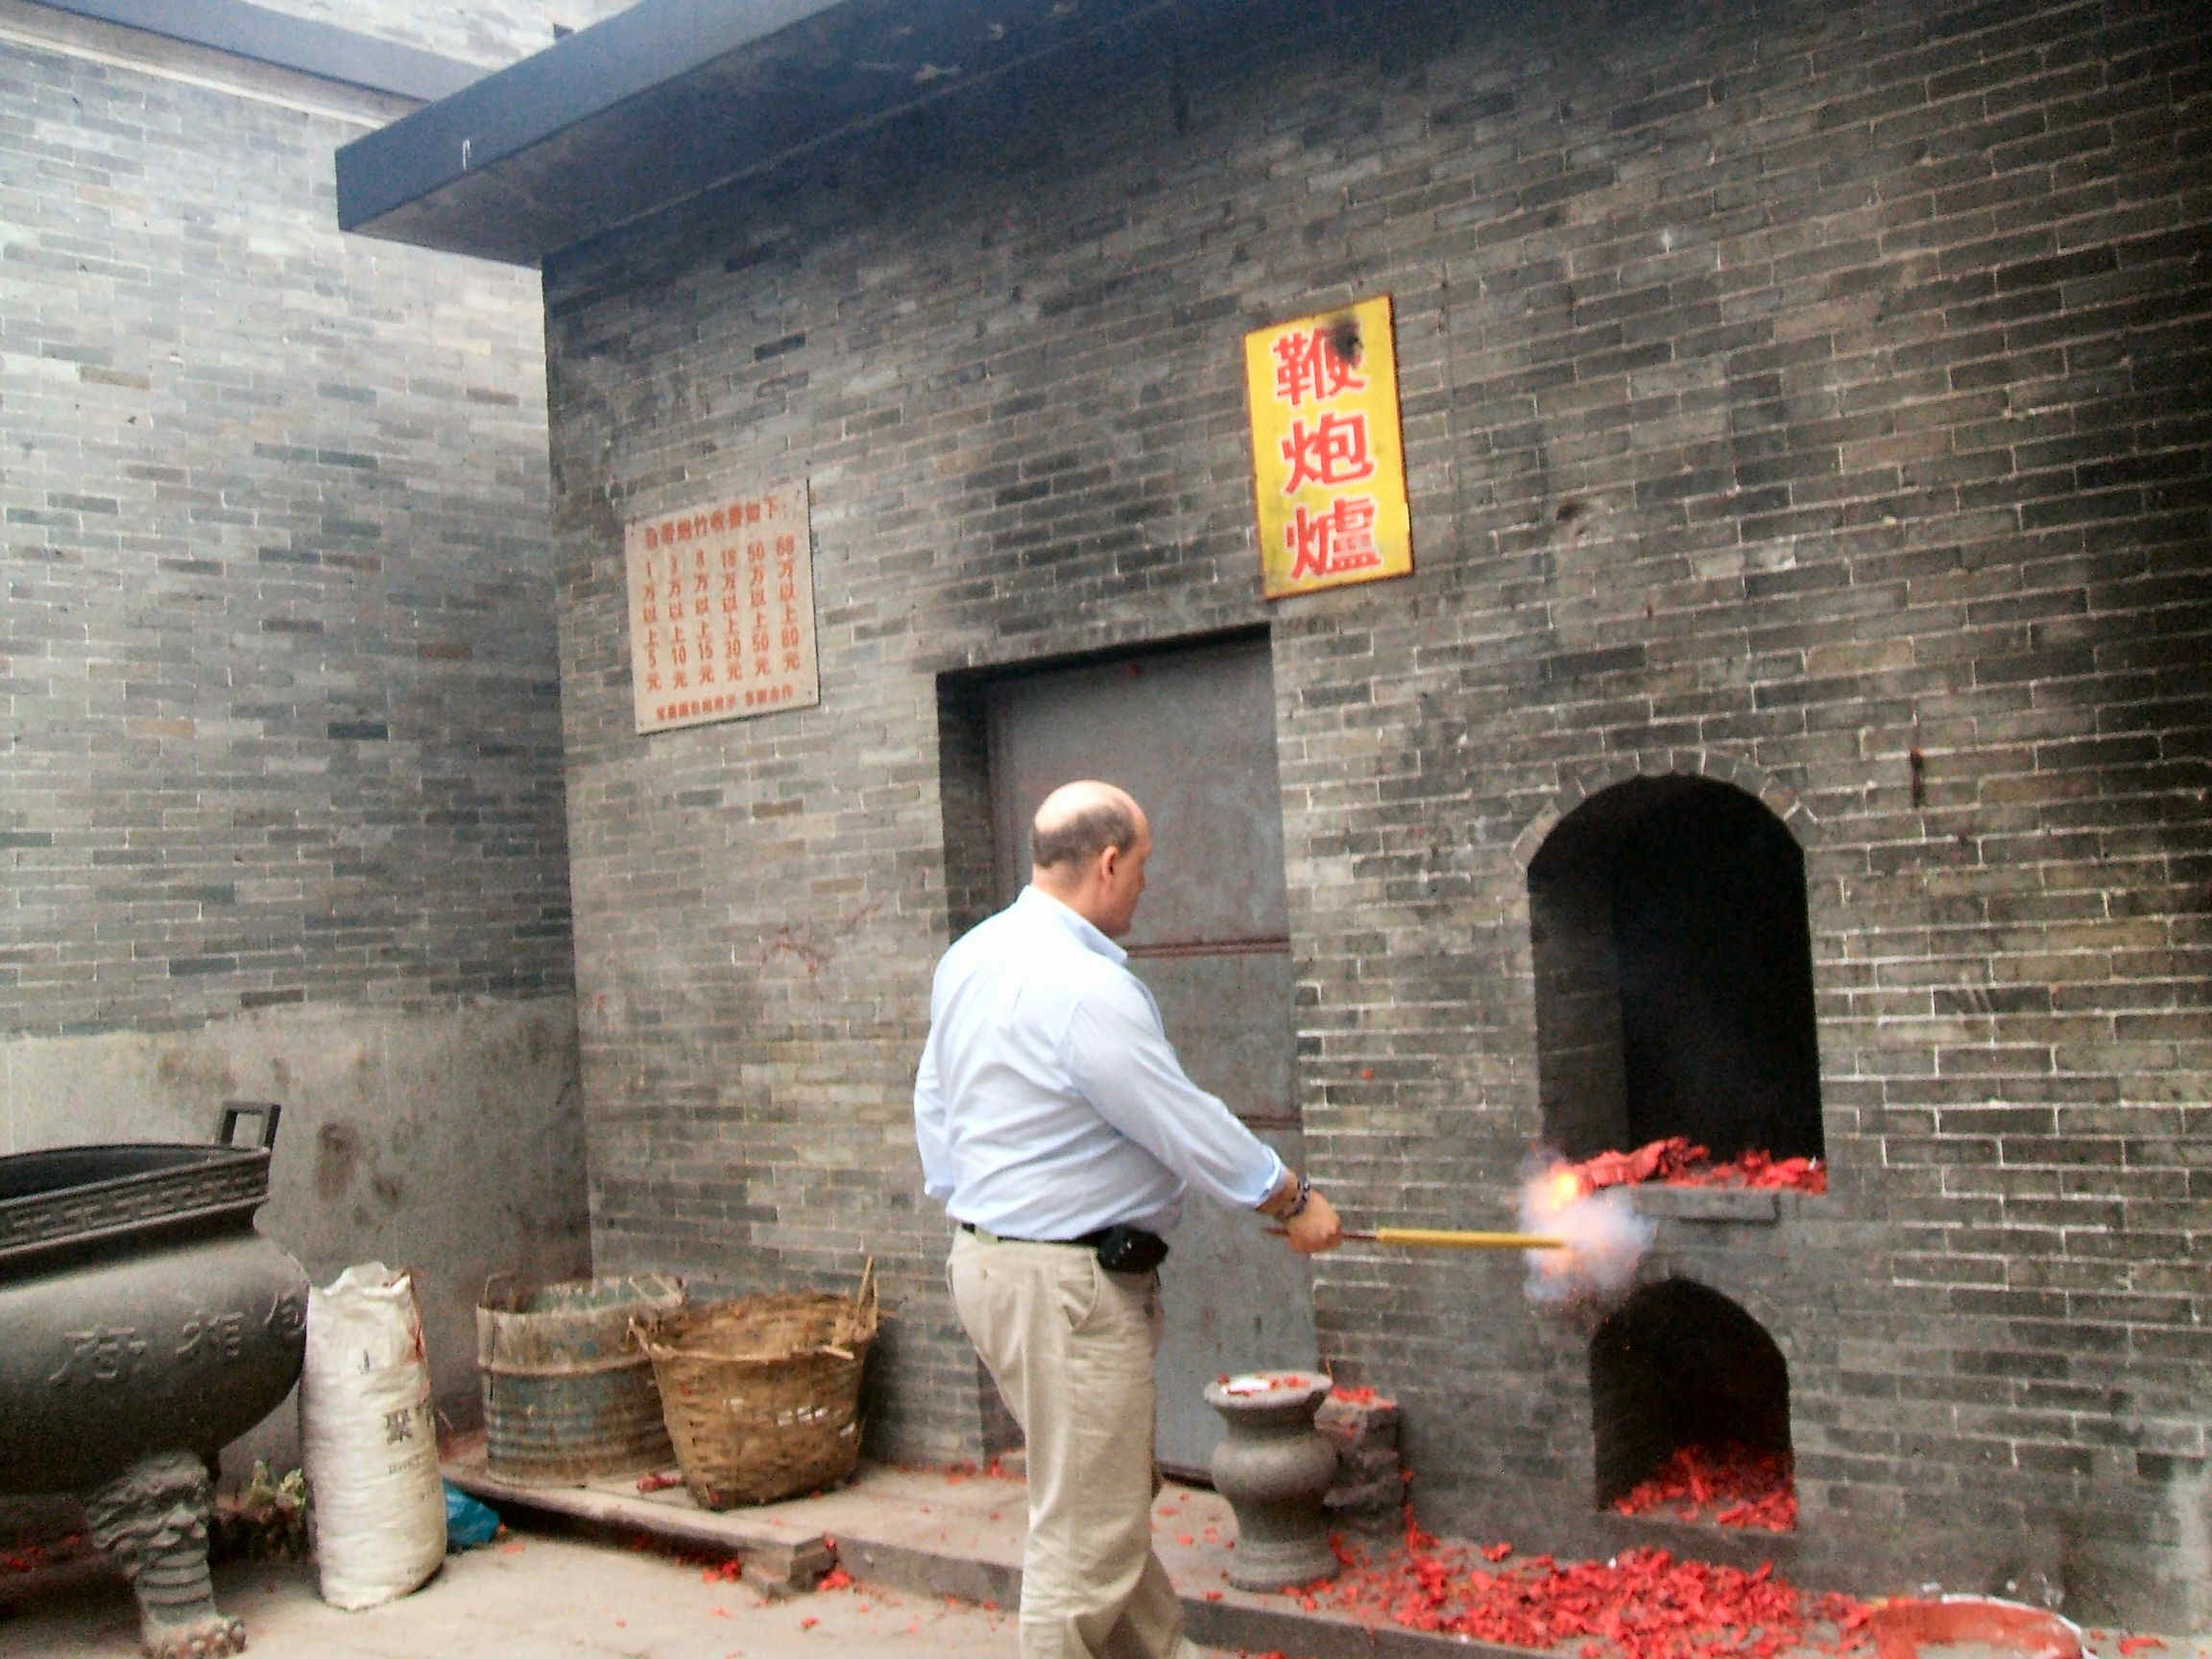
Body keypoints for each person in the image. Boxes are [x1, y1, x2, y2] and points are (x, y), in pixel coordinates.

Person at [913, 779, 1343, 1659]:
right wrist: (1289, 1197)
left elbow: (934, 1099)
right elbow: (1176, 1118)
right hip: (1065, 1289)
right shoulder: (1082, 988)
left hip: (995, 1267)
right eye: (1144, 865)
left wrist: (984, 1201)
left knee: (1100, 1498)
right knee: (1086, 1537)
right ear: (1107, 863)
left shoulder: (972, 957)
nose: (1147, 884)